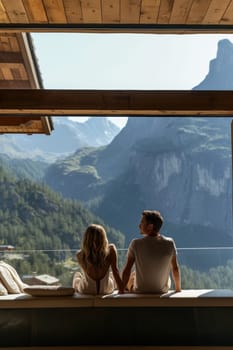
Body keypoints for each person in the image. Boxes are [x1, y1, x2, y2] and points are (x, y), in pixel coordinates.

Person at [122, 210, 181, 294]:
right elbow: (175, 268)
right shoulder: (170, 243)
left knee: (132, 276)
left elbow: (127, 269)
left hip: (140, 291)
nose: (139, 225)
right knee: (166, 277)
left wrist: (121, 291)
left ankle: (128, 289)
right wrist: (178, 289)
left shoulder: (136, 244)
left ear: (150, 226)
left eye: (142, 222)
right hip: (161, 291)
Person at [73, 224, 123, 294]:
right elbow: (116, 272)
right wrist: (121, 291)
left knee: (77, 276)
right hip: (105, 290)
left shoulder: (80, 255)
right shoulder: (111, 250)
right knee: (111, 275)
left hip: (87, 290)